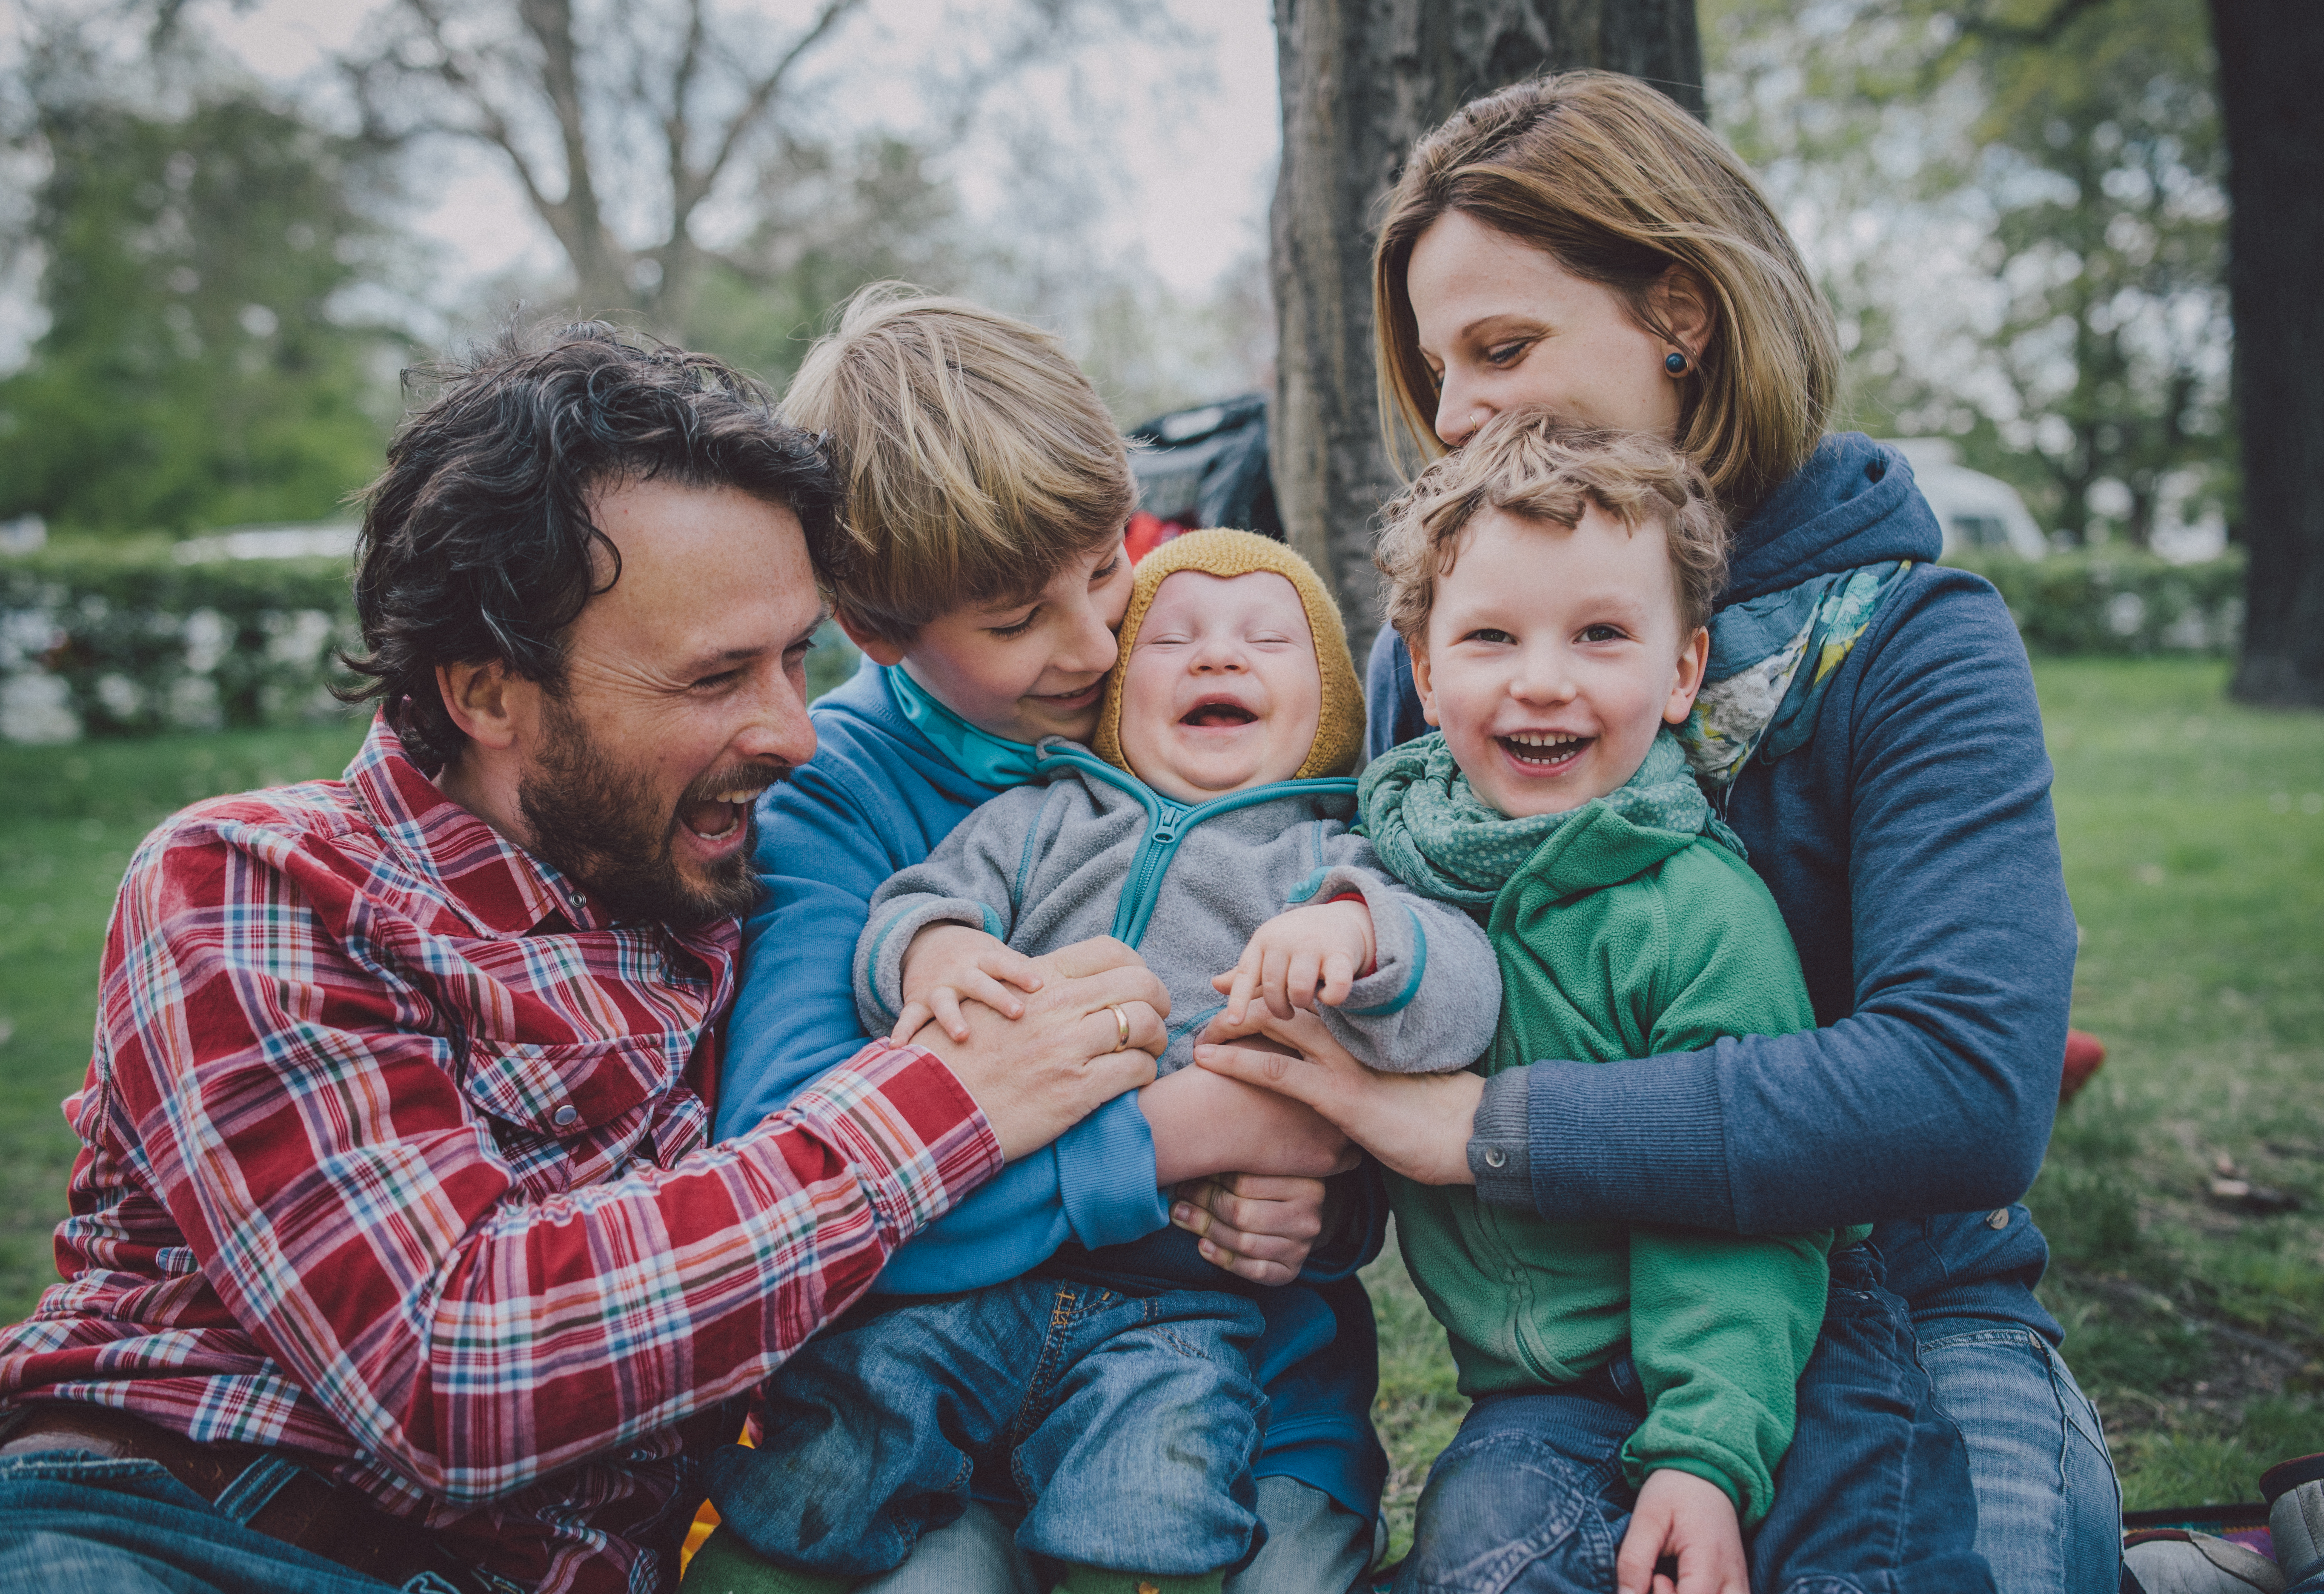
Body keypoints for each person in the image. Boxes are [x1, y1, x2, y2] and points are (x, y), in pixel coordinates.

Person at [0, 324, 1166, 1594]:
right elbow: (454, 1369)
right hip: (196, 1531)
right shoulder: (260, 885)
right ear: (490, 694)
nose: (793, 734)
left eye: (797, 660)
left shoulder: (736, 881)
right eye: (717, 676)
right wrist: (946, 1103)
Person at [1193, 71, 2120, 1594]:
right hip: (1567, 1356)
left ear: (1680, 313)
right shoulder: (1440, 657)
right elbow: (1374, 975)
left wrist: (1489, 1135)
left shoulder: (1908, 638)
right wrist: (1308, 1158)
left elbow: (1965, 1089)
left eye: (1503, 347)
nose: (1459, 412)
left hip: (1909, 1313)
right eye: (1436, 368)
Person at [702, 290, 1394, 1594]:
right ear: (882, 633)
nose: (1092, 646)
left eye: (1105, 564)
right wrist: (1183, 1136)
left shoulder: (1224, 719)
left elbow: (1345, 1120)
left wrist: (1320, 1192)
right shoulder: (837, 799)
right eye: (1017, 621)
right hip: (930, 1416)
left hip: (1244, 1389)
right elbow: (794, 1190)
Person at [1357, 414, 1992, 1594]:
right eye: (1491, 637)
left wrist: (1701, 1455)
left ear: (1683, 669)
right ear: (1427, 669)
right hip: (1545, 1390)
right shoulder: (1385, 870)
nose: (1542, 679)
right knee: (1480, 1559)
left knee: (1861, 1562)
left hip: (1779, 1350)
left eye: (1601, 635)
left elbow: (1744, 1206)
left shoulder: (1692, 909)